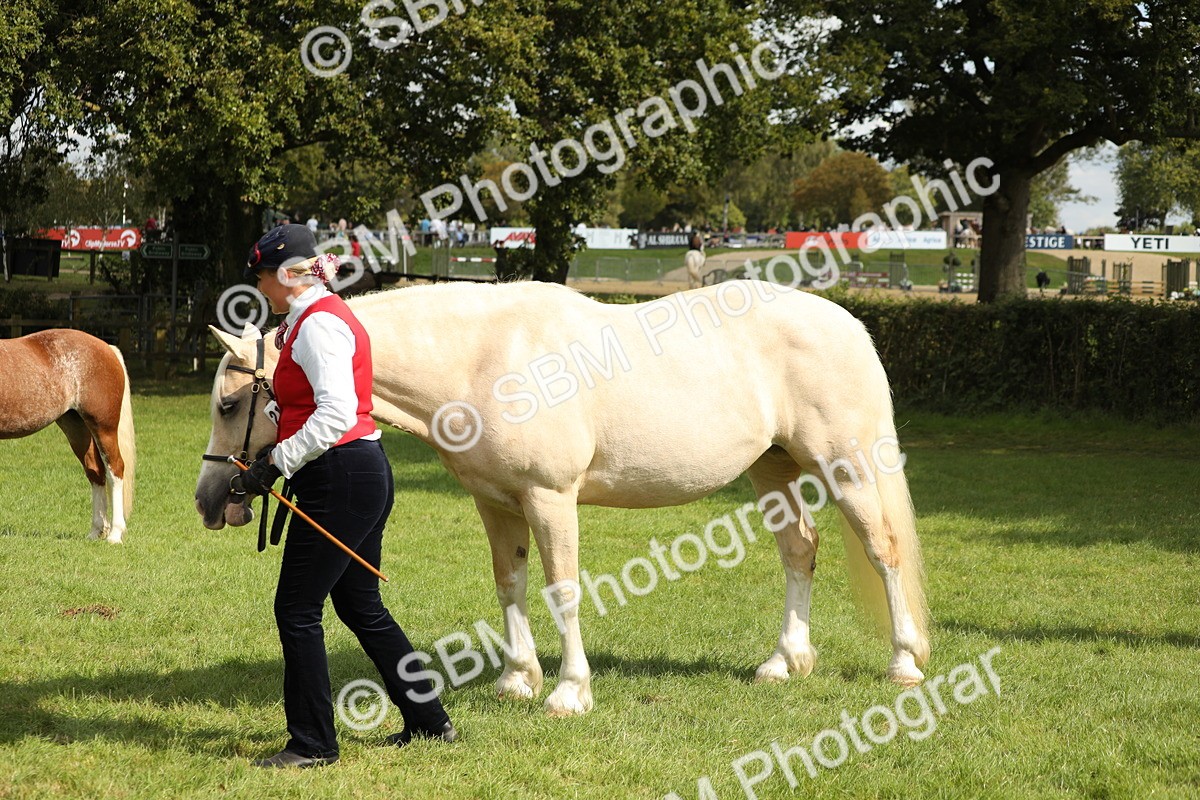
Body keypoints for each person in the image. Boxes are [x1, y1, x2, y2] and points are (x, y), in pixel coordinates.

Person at [238, 224, 456, 769]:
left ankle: (312, 744)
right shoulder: (315, 317)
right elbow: (314, 403)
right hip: (356, 472)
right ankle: (430, 721)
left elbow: (334, 413)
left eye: (263, 277)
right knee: (360, 603)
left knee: (296, 608)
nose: (260, 288)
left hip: (341, 476)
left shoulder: (317, 327)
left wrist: (277, 462)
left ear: (287, 276)